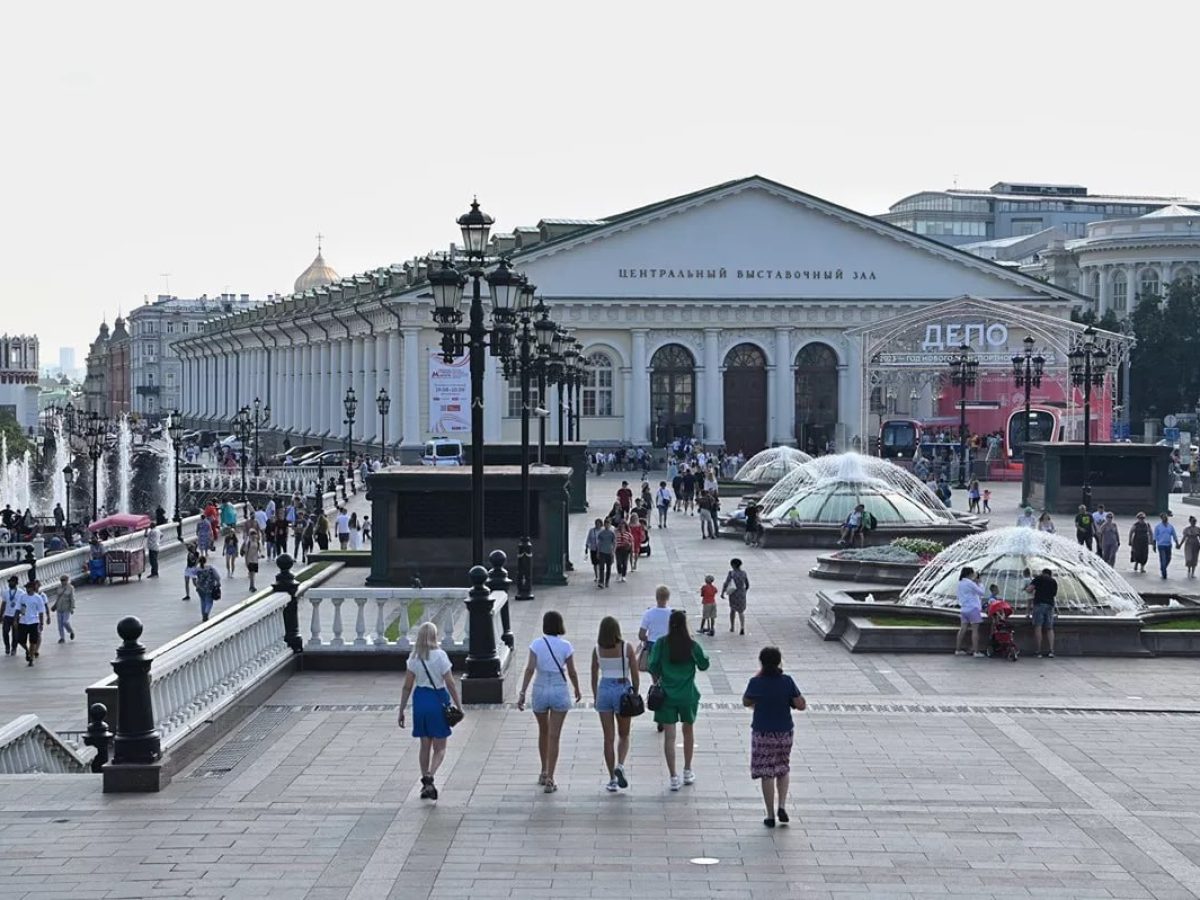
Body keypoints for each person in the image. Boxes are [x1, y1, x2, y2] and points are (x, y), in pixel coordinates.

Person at [397, 622, 463, 801]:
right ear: (435, 636)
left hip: (420, 700)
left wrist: (401, 709)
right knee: (440, 747)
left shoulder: (414, 658)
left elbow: (406, 686)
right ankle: (430, 777)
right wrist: (459, 705)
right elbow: (450, 683)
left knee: (424, 744)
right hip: (437, 700)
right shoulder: (441, 656)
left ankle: (425, 782)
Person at [516, 611, 582, 793]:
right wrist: (576, 688)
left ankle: (543, 771)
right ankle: (551, 778)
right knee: (554, 736)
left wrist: (522, 692)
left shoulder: (536, 644)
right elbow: (572, 671)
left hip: (540, 687)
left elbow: (530, 669)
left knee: (543, 731)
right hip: (559, 688)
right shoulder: (566, 646)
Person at [742, 646, 806, 828]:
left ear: (761, 662)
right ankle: (782, 805)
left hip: (762, 732)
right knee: (783, 767)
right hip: (784, 731)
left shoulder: (756, 682)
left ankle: (770, 815)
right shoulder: (787, 681)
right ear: (779, 661)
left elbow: (746, 701)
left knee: (766, 772)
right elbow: (801, 704)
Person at [649, 610, 710, 791]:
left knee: (669, 737)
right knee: (688, 732)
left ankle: (673, 776)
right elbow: (704, 665)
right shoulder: (691, 645)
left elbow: (652, 665)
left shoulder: (661, 643)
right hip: (688, 694)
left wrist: (660, 676)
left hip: (667, 695)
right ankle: (687, 770)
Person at [590, 616, 639, 792]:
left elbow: (594, 674)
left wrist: (596, 696)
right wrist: (635, 692)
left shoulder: (597, 650)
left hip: (604, 689)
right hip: (621, 688)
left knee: (608, 738)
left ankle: (611, 778)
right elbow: (635, 673)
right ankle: (620, 765)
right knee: (624, 734)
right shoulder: (626, 648)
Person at [638, 585, 673, 675]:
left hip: (653, 645)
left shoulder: (649, 613)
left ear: (656, 597)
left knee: (654, 671)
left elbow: (641, 635)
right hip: (668, 645)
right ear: (668, 597)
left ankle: (656, 685)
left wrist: (647, 638)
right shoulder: (672, 613)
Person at [1025, 567, 1058, 658]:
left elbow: (1029, 590)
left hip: (1039, 604)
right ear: (1050, 574)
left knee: (1038, 627)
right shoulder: (1053, 581)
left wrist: (1027, 588)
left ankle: (1038, 651)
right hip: (1050, 605)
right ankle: (1051, 650)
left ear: (1043, 573)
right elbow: (1054, 594)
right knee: (1049, 628)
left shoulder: (1039, 578)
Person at [954, 566, 986, 658]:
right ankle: (976, 651)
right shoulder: (970, 583)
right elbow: (981, 593)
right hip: (973, 608)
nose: (973, 575)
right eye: (973, 573)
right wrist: (979, 583)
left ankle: (958, 649)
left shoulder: (960, 583)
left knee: (962, 629)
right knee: (975, 630)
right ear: (969, 574)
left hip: (964, 609)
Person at [16, 580, 47, 666]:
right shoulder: (22, 597)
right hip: (23, 621)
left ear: (33, 588)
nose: (27, 589)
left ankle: (31, 658)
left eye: (29, 588)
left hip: (34, 621)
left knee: (33, 641)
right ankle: (27, 650)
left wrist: (41, 623)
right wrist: (16, 620)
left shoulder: (38, 598)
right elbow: (18, 609)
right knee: (20, 640)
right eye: (26, 588)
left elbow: (41, 611)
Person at [722, 557, 750, 635]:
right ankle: (742, 627)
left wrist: (722, 592)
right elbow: (747, 584)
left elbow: (726, 583)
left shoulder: (731, 573)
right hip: (741, 593)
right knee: (741, 611)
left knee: (732, 610)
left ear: (733, 565)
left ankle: (732, 626)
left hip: (733, 593)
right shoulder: (744, 573)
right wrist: (744, 591)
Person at [194, 556, 222, 622]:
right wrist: (218, 582)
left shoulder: (197, 570)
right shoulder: (210, 568)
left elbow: (192, 574)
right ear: (205, 561)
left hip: (200, 588)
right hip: (210, 588)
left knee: (202, 601)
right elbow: (217, 577)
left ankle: (203, 614)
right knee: (209, 602)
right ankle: (206, 613)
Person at [1154, 512, 1179, 579]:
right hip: (1161, 545)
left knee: (1169, 558)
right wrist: (1154, 545)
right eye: (1164, 517)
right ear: (1161, 518)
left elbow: (1174, 535)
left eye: (1166, 517)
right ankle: (1164, 573)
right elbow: (1155, 537)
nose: (1166, 518)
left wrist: (1177, 543)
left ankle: (1163, 567)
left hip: (1168, 545)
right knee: (1163, 559)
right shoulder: (1158, 527)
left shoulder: (1170, 527)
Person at [51, 574, 75, 643]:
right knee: (60, 624)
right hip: (59, 607)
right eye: (61, 580)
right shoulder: (59, 588)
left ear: (67, 580)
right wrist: (55, 606)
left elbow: (72, 598)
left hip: (66, 607)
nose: (62, 582)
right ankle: (62, 638)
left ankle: (71, 631)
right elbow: (58, 598)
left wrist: (72, 608)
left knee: (65, 622)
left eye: (64, 580)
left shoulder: (70, 588)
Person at [0, 575, 20, 655]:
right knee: (5, 632)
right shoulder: (5, 592)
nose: (10, 583)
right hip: (7, 615)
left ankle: (14, 648)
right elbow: (3, 604)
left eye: (12, 582)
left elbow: (22, 605)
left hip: (16, 616)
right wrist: (0, 615)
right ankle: (7, 646)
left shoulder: (20, 593)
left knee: (15, 634)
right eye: (9, 582)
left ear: (15, 583)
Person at [595, 520, 615, 589]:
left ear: (610, 525)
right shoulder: (601, 533)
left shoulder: (612, 533)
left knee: (608, 568)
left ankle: (607, 581)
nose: (607, 525)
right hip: (602, 552)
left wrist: (613, 551)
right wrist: (598, 552)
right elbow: (599, 543)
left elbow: (614, 543)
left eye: (608, 524)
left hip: (609, 552)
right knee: (601, 567)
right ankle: (601, 582)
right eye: (606, 524)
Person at [584, 518, 604, 586]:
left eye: (599, 523)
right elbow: (588, 538)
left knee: (600, 563)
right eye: (596, 523)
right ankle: (596, 576)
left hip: (601, 549)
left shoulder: (603, 531)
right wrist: (587, 546)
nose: (597, 525)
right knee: (595, 563)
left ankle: (600, 575)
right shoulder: (591, 531)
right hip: (593, 548)